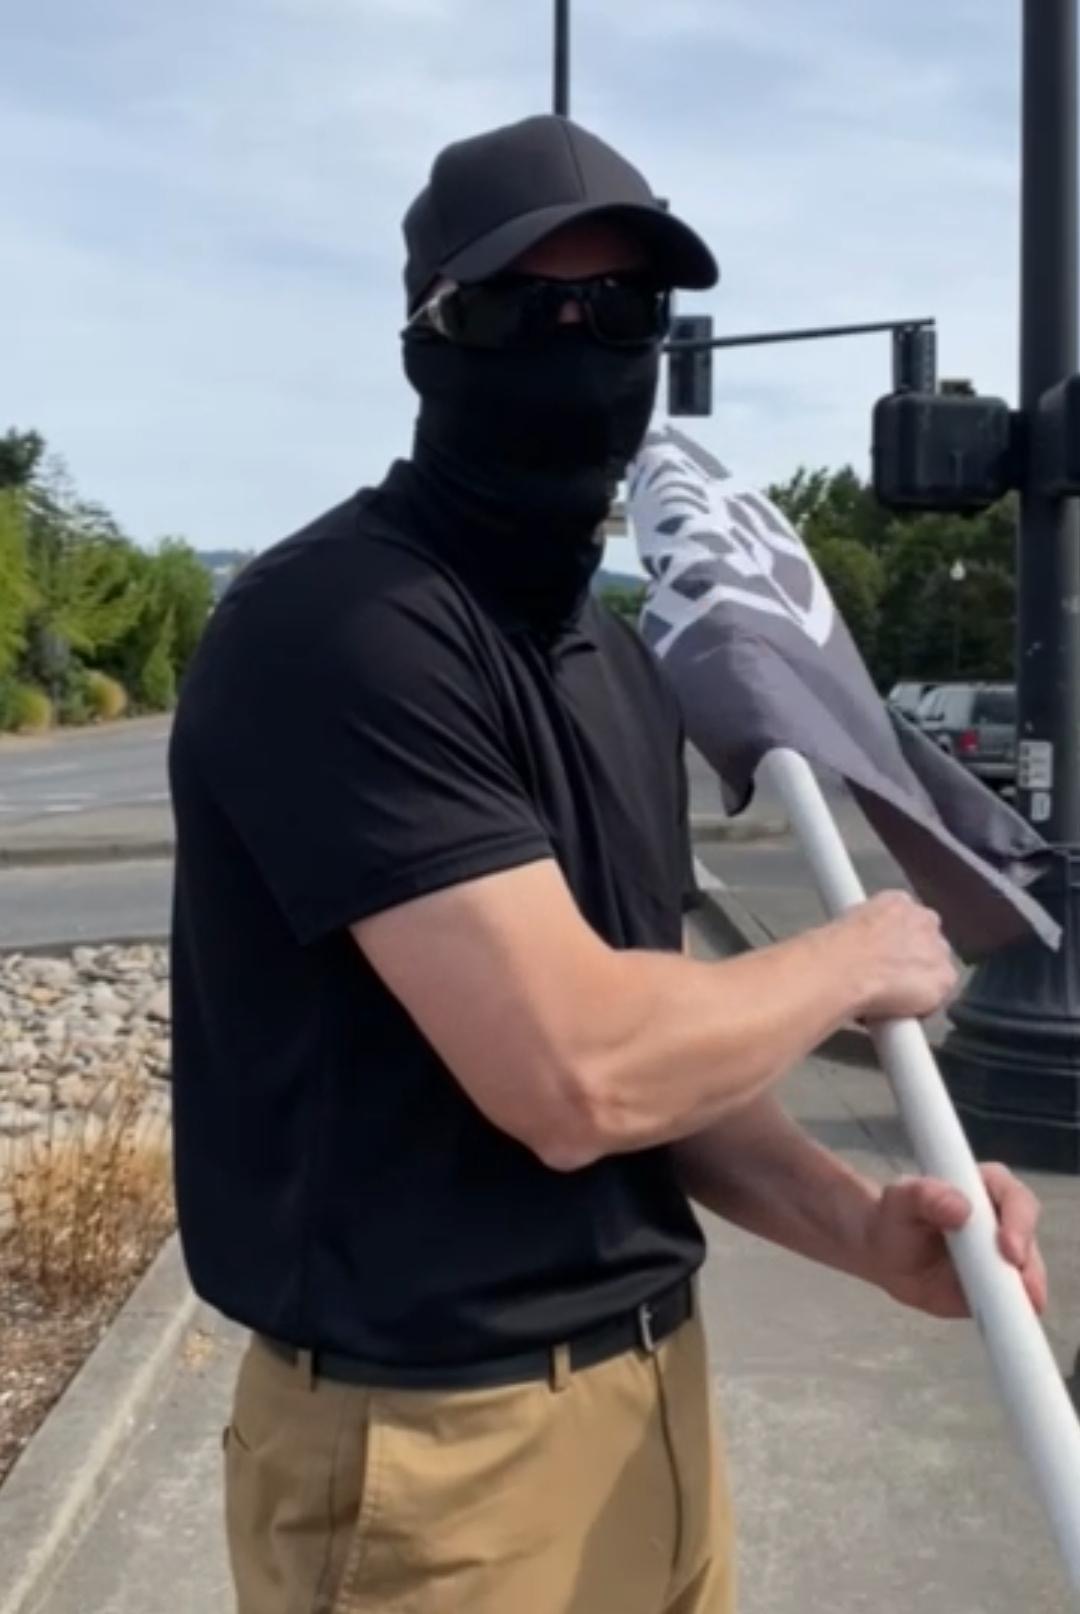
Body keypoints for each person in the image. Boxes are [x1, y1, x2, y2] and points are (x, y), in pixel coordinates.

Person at [168, 114, 1046, 1614]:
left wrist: (863, 1224)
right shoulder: (342, 632)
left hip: (655, 1396)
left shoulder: (620, 669)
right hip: (432, 1459)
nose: (583, 345)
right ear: (432, 342)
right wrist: (848, 957)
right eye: (528, 308)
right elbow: (576, 1073)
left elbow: (659, 1052)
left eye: (625, 311)